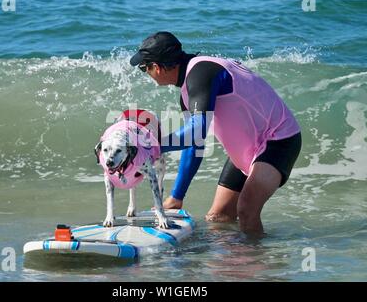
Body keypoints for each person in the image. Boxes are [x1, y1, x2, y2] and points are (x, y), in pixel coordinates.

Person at [129, 31, 302, 236]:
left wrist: (152, 145)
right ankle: (234, 264)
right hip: (248, 148)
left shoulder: (202, 72)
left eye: (144, 68)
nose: (146, 73)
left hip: (278, 140)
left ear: (156, 67)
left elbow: (197, 130)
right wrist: (176, 197)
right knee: (218, 219)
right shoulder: (189, 88)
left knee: (246, 209)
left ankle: (260, 261)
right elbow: (196, 141)